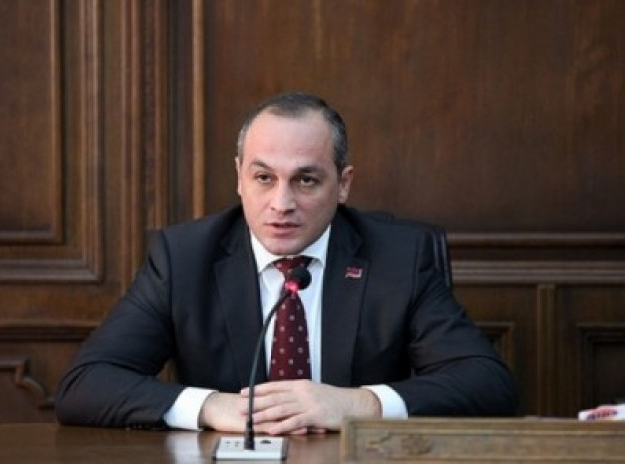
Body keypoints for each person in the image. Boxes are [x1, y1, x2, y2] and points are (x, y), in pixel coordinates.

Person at [55, 91, 518, 435]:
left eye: (306, 180)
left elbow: (487, 383)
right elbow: (85, 384)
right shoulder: (184, 258)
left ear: (343, 184)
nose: (281, 203)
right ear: (239, 178)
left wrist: (358, 405)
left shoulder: (398, 256)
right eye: (263, 177)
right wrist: (212, 407)